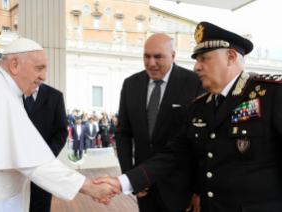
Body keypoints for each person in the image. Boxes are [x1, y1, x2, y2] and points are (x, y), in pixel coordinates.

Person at [94, 21, 282, 212]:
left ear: (230, 57)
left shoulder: (272, 95)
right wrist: (122, 182)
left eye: (204, 59)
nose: (196, 67)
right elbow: (173, 154)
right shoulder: (200, 107)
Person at [0, 38, 119, 212]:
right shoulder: (1, 97)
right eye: (39, 69)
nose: (44, 77)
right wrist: (89, 186)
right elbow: (34, 162)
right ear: (14, 65)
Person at [113, 33, 206, 212]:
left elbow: (200, 142)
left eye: (158, 56)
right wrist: (131, 177)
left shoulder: (194, 83)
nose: (151, 63)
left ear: (172, 56)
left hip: (181, 189)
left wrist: (198, 189)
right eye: (147, 56)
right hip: (144, 187)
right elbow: (123, 133)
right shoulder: (130, 84)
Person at [22, 81, 68, 211]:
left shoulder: (55, 96)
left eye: (44, 69)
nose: (42, 75)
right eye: (38, 68)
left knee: (40, 205)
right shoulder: (11, 94)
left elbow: (61, 132)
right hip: (13, 167)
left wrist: (46, 157)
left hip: (43, 167)